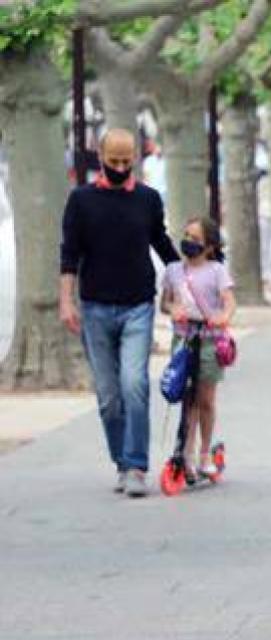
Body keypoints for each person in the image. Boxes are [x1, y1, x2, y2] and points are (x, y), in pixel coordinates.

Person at [58, 127, 180, 497]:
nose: (121, 167)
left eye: (127, 162)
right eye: (114, 161)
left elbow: (161, 242)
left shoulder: (148, 199)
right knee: (109, 396)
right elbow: (69, 255)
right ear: (100, 158)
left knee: (135, 383)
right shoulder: (80, 201)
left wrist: (185, 278)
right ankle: (122, 461)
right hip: (94, 306)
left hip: (138, 306)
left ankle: (137, 466)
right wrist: (66, 301)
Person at [158, 217, 236, 479]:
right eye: (186, 235)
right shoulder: (172, 270)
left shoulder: (216, 271)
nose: (188, 242)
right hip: (183, 340)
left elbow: (229, 302)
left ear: (210, 246)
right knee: (186, 397)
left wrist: (223, 317)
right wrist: (173, 308)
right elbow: (165, 302)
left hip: (210, 341)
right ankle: (186, 454)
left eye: (195, 238)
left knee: (205, 399)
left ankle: (204, 454)